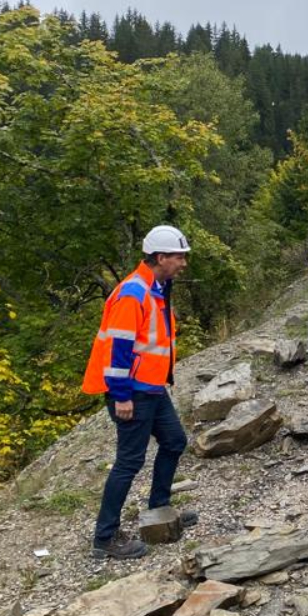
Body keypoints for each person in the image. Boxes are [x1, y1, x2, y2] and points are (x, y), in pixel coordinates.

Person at [83, 225, 197, 560]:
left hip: (151, 388)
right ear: (160, 257)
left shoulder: (157, 287)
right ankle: (105, 538)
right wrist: (121, 396)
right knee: (129, 462)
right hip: (131, 392)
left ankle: (159, 509)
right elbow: (117, 350)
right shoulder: (133, 293)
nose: (183, 263)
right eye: (179, 257)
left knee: (175, 441)